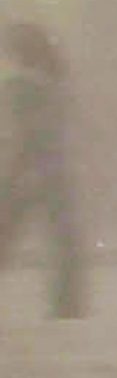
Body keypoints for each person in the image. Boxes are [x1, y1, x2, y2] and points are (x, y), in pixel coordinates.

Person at [0, 22, 87, 320]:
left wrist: (17, 169)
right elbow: (54, 127)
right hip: (55, 169)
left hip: (31, 167)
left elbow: (28, 132)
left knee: (7, 231)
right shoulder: (55, 79)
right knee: (63, 239)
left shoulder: (24, 84)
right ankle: (69, 303)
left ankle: (69, 302)